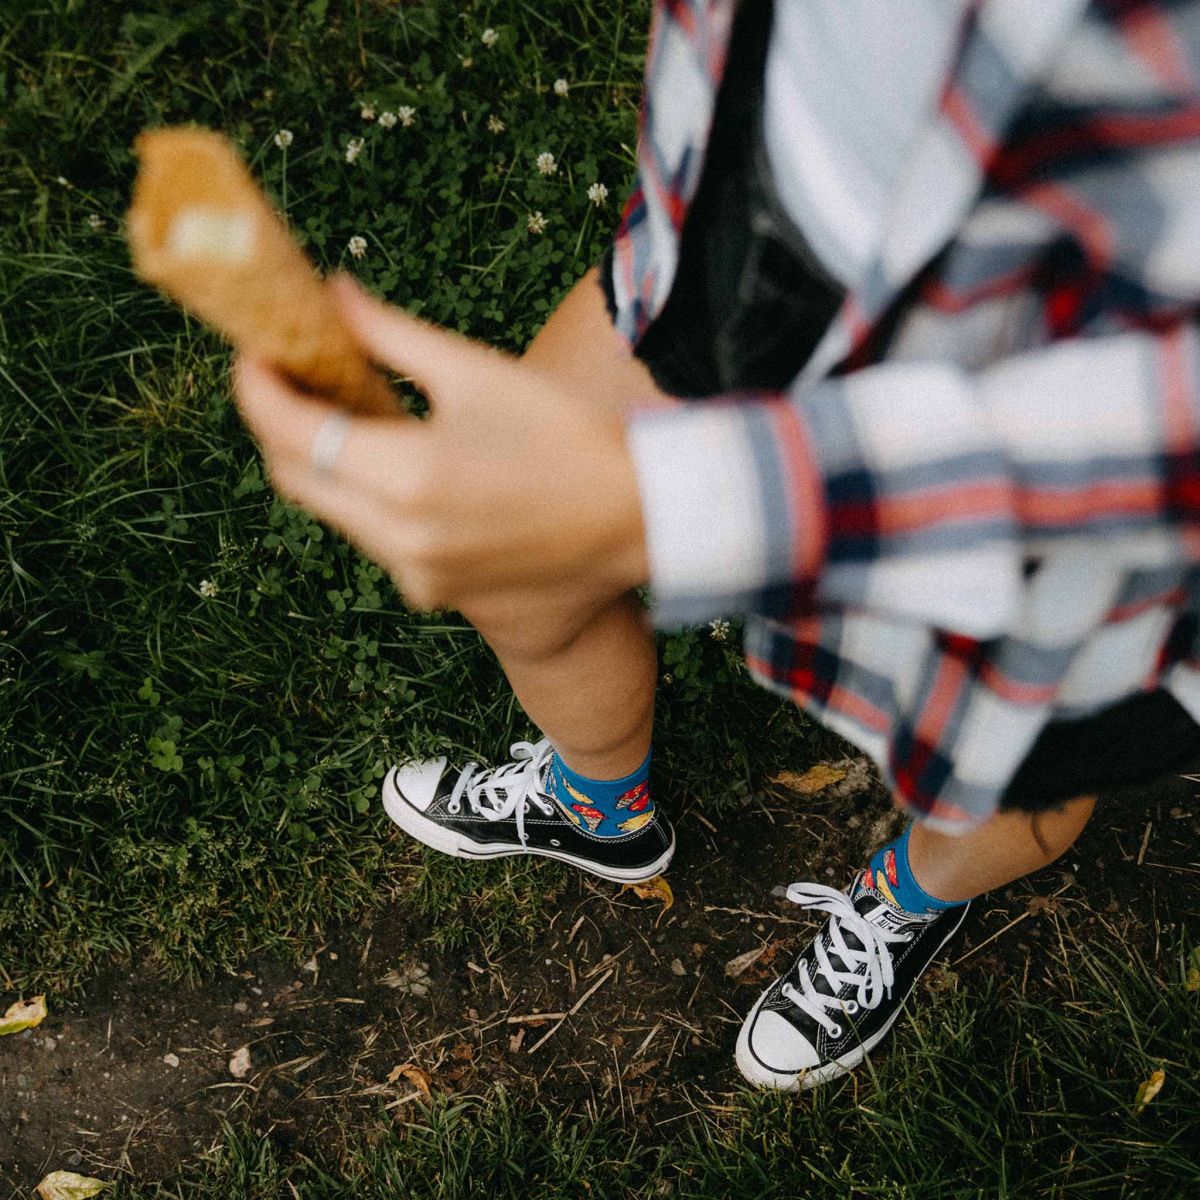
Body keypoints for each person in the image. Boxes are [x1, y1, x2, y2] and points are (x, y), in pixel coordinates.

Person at [234, 0, 1200, 1091]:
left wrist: (674, 504)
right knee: (523, 577)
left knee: (1007, 760)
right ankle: (602, 812)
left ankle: (910, 901)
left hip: (1080, 397)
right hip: (757, 217)